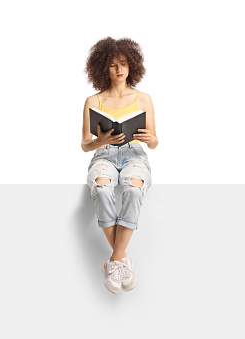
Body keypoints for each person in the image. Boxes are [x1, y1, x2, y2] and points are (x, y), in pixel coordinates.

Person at [81, 37, 159, 294]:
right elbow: (85, 144)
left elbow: (155, 142)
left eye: (123, 63)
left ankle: (114, 261)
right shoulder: (93, 101)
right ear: (103, 68)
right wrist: (101, 140)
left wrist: (150, 138)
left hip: (134, 154)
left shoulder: (144, 98)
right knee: (102, 189)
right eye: (113, 64)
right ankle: (122, 259)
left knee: (134, 189)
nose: (119, 69)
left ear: (132, 65)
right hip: (103, 154)